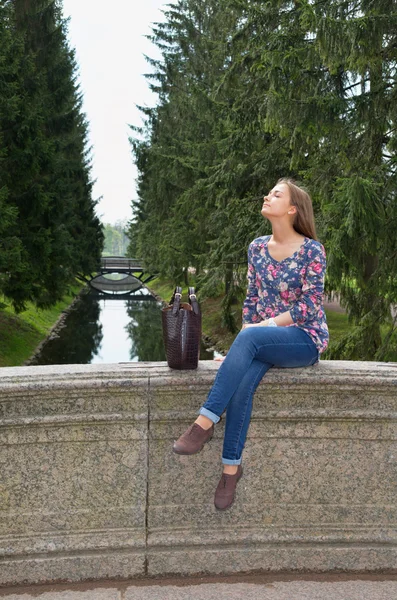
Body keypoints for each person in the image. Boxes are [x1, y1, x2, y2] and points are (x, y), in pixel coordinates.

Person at [173, 178, 329, 510]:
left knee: (252, 338)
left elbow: (309, 307)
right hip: (261, 339)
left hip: (303, 338)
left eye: (276, 194)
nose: (267, 196)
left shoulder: (312, 250)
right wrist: (241, 348)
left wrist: (260, 328)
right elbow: (251, 301)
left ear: (292, 209)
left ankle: (204, 423)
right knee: (242, 384)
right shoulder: (257, 248)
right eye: (268, 192)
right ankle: (231, 469)